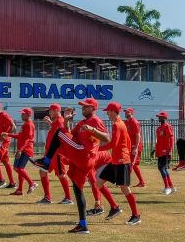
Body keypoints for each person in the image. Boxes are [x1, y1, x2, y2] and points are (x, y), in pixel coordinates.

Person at [32, 98, 109, 234]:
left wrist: (93, 130)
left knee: (59, 133)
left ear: (93, 108)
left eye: (85, 106)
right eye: (82, 106)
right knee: (78, 189)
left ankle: (46, 161)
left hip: (84, 153)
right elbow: (70, 134)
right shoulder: (81, 123)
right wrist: (67, 121)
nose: (83, 108)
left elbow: (107, 138)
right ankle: (83, 224)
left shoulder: (95, 121)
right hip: (80, 156)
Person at [95, 102, 141, 225]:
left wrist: (97, 149)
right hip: (116, 160)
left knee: (125, 188)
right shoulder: (121, 124)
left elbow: (113, 144)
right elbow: (126, 141)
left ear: (113, 111)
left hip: (121, 161)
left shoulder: (117, 124)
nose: (107, 113)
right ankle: (114, 207)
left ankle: (136, 216)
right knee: (98, 182)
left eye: (108, 111)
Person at [34, 103, 73, 205]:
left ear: (57, 110)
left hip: (57, 154)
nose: (49, 112)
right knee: (42, 172)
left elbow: (63, 136)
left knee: (61, 174)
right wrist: (50, 123)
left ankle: (68, 198)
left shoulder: (60, 121)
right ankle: (47, 198)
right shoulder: (56, 121)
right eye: (49, 111)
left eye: (51, 110)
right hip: (50, 154)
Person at [3, 107, 38, 196]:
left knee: (20, 169)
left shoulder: (29, 125)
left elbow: (28, 139)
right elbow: (20, 136)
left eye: (23, 114)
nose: (21, 115)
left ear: (28, 115)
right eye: (21, 113)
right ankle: (19, 190)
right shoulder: (25, 124)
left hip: (25, 150)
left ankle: (32, 183)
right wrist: (8, 134)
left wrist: (20, 150)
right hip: (22, 149)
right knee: (17, 168)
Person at [152, 111, 175, 195]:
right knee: (163, 168)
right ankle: (171, 187)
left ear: (165, 118)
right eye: (158, 116)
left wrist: (170, 151)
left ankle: (167, 187)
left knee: (162, 168)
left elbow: (171, 139)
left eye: (160, 117)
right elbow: (158, 141)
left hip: (165, 151)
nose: (159, 118)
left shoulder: (167, 126)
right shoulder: (159, 128)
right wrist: (155, 149)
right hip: (160, 151)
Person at [124, 108, 146, 187]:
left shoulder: (134, 122)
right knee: (134, 165)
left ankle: (125, 182)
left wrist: (136, 147)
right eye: (125, 112)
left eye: (127, 112)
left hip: (135, 147)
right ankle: (142, 182)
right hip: (130, 146)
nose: (126, 113)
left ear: (131, 113)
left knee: (131, 164)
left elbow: (138, 135)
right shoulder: (127, 122)